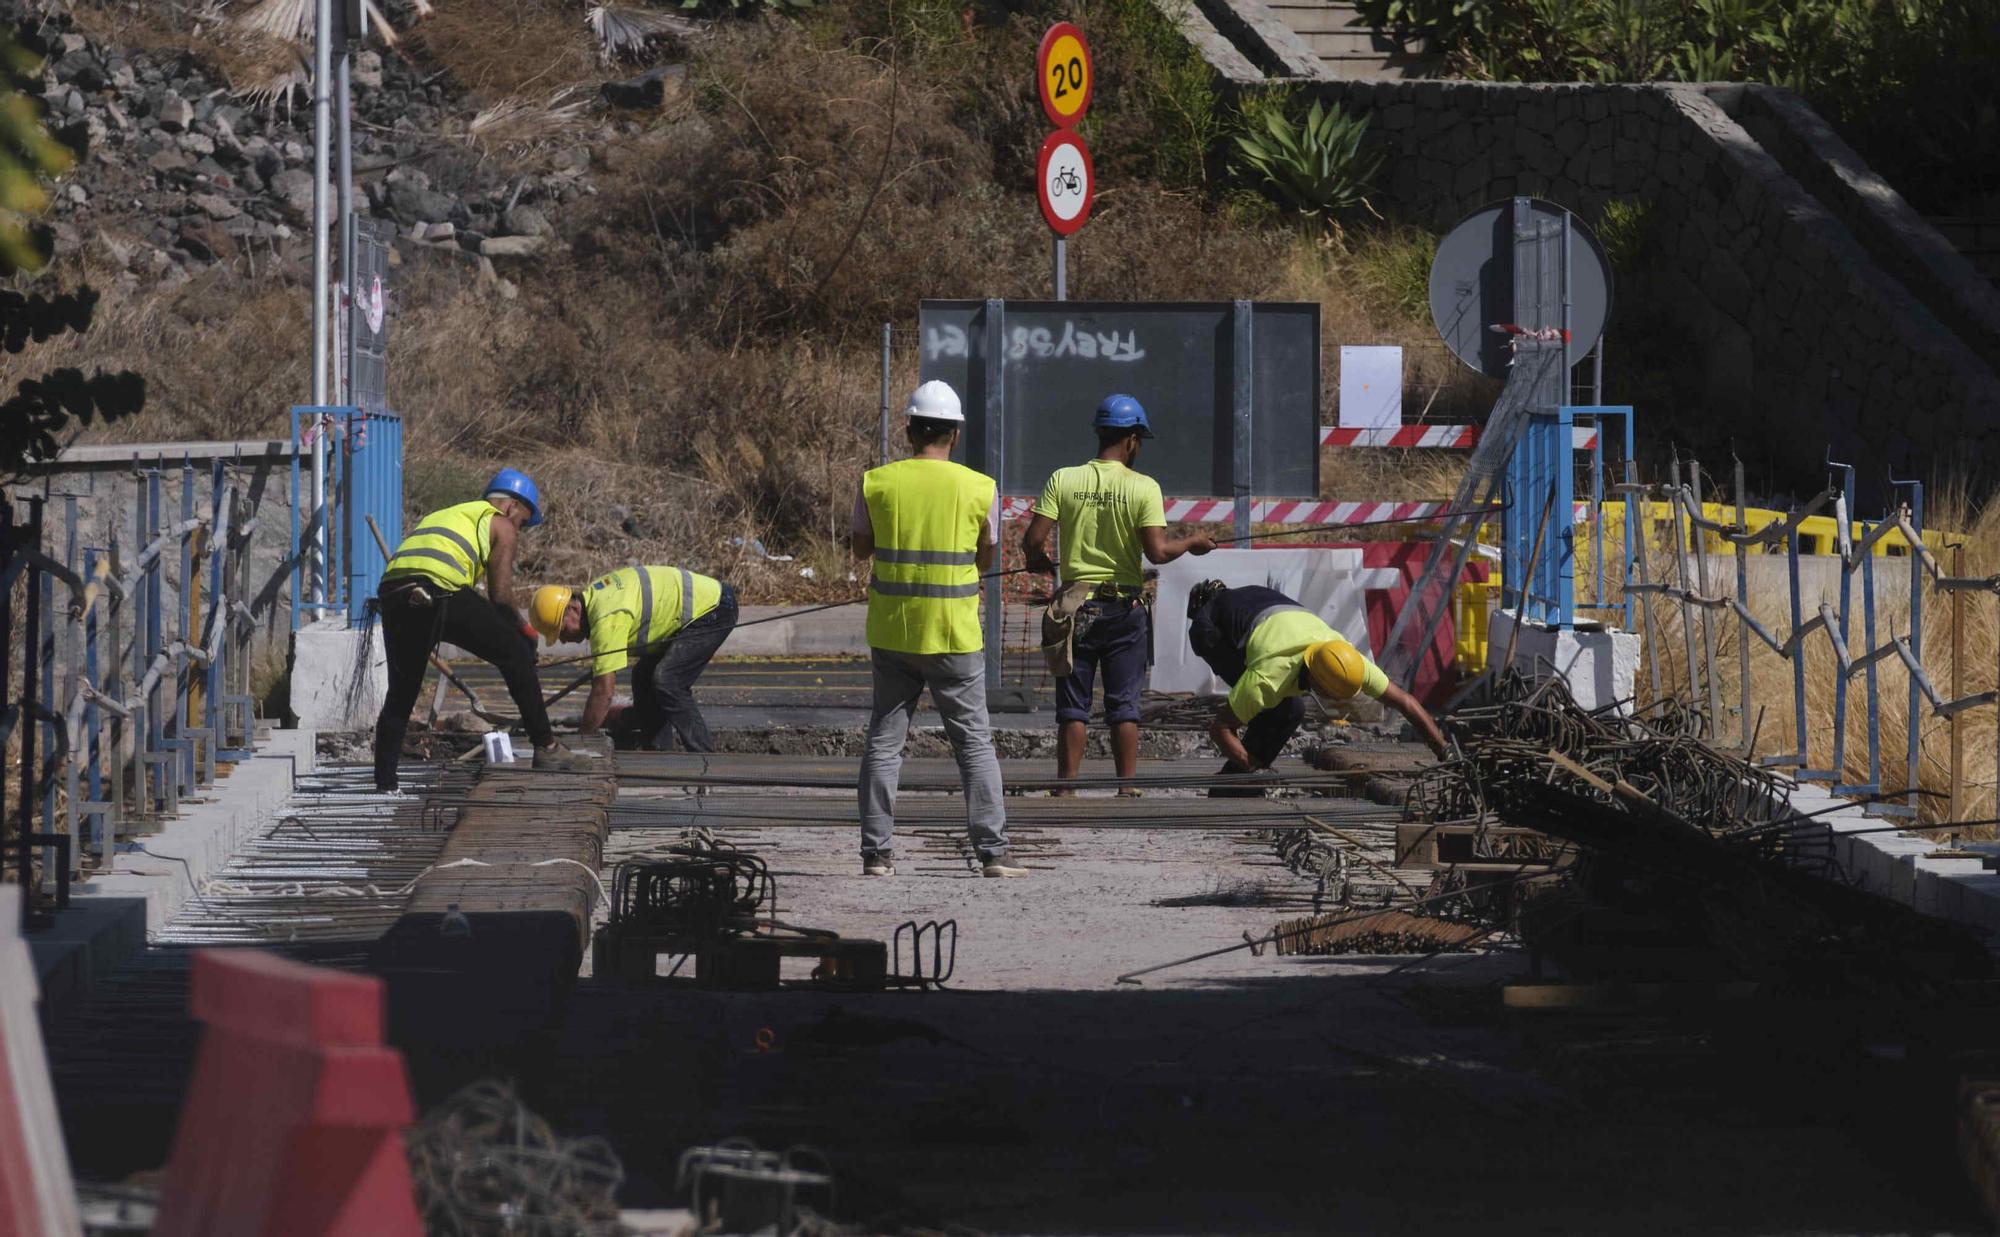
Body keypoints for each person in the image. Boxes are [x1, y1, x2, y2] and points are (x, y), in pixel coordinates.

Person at [850, 379, 1025, 878]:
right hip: (954, 635)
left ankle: (876, 855)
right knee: (973, 743)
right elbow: (986, 554)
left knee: (884, 742)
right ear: (955, 432)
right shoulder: (980, 487)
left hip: (893, 632)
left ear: (908, 429)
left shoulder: (875, 482)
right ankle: (993, 853)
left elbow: (862, 549)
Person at [1021, 393, 1214, 795]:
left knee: (1073, 705)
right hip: (1124, 609)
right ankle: (1126, 787)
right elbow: (1157, 553)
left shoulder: (1064, 479)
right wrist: (1192, 542)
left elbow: (1034, 539)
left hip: (1075, 606)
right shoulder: (1143, 487)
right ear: (1131, 439)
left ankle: (1066, 787)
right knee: (1124, 704)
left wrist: (1039, 561)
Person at [373, 469, 595, 791]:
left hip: (395, 592)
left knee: (400, 695)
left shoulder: (449, 514)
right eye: (522, 521)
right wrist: (525, 633)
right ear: (511, 507)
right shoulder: (501, 523)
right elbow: (501, 598)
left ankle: (385, 784)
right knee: (516, 653)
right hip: (439, 588)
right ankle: (547, 748)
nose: (519, 528)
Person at [1185, 580, 1446, 792]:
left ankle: (1239, 782)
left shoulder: (1346, 660)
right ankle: (1236, 782)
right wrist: (1249, 765)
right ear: (1314, 679)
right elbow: (1219, 729)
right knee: (1284, 709)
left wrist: (1443, 750)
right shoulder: (1270, 676)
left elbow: (1405, 702)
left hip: (1259, 605)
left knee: (1289, 708)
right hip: (1213, 627)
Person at [528, 566, 739, 751]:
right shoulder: (598, 599)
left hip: (713, 609)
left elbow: (604, 692)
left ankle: (705, 756)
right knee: (642, 676)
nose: (563, 640)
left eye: (562, 631)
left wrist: (584, 741)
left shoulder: (606, 618)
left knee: (668, 681)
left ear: (574, 608)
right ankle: (658, 749)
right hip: (693, 614)